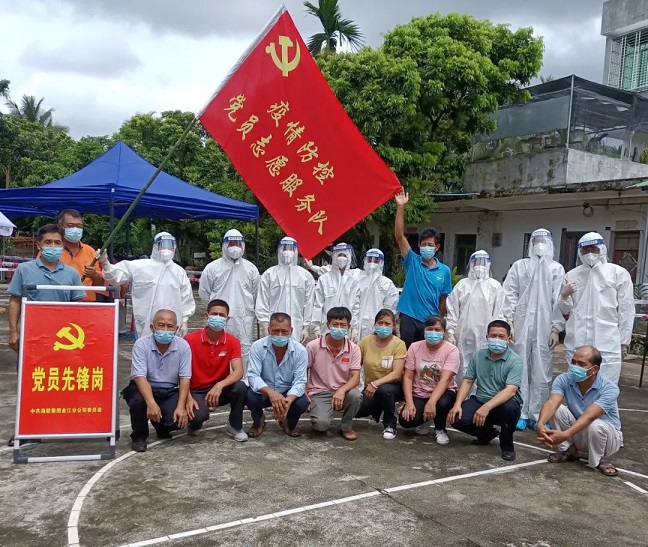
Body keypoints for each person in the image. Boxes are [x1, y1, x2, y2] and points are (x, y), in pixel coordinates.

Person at [501, 228, 564, 431]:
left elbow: (558, 299)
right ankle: (520, 411)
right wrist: (509, 322)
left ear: (551, 244)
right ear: (530, 243)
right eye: (536, 240)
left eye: (544, 240)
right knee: (519, 367)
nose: (540, 244)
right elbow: (509, 294)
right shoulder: (520, 266)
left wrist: (556, 328)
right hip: (521, 324)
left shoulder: (556, 269)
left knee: (542, 370)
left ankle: (538, 414)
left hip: (545, 325)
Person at [556, 232, 634, 384]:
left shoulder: (617, 273)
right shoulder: (572, 275)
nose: (590, 253)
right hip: (577, 339)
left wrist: (624, 341)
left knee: (605, 386)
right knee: (577, 385)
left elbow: (626, 309)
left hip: (607, 341)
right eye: (585, 250)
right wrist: (564, 296)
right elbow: (565, 310)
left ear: (602, 249)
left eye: (594, 249)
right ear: (580, 252)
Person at [536, 346, 622, 477]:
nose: (575, 367)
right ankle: (569, 450)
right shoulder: (564, 379)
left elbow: (589, 416)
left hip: (607, 437)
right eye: (573, 362)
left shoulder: (610, 388)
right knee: (557, 410)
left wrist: (565, 434)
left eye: (581, 364)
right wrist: (540, 423)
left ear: (594, 369)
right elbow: (552, 402)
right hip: (581, 432)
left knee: (595, 424)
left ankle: (603, 458)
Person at [449, 320, 523, 461]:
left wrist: (487, 407)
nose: (497, 339)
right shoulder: (478, 355)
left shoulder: (515, 361)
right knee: (457, 418)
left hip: (504, 403)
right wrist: (457, 404)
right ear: (487, 337)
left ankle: (507, 445)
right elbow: (468, 380)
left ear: (508, 338)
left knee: (510, 409)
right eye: (493, 336)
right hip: (481, 399)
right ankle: (486, 434)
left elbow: (511, 390)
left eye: (501, 336)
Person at [98, 232, 195, 338]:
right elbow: (115, 276)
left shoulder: (179, 272)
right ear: (155, 247)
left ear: (174, 248)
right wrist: (105, 263)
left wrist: (184, 320)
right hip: (146, 322)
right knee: (145, 346)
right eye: (162, 245)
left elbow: (186, 297)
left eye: (170, 246)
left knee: (172, 347)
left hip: (172, 324)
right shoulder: (140, 267)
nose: (166, 249)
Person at [122, 309, 191, 452]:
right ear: (152, 327)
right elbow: (139, 376)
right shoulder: (141, 344)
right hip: (144, 386)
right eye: (161, 325)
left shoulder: (183, 346)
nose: (165, 330)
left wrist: (181, 406)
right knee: (138, 401)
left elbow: (185, 377)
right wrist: (151, 403)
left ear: (176, 328)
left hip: (169, 389)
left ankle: (161, 426)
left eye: (170, 326)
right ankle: (139, 436)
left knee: (180, 420)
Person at [8, 224, 85, 352]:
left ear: (63, 246)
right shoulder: (24, 269)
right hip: (31, 334)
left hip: (63, 336)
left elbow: (78, 306)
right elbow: (15, 302)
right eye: (48, 242)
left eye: (57, 242)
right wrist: (13, 331)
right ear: (39, 245)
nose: (53, 246)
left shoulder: (72, 273)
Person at [394, 189, 452, 347]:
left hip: (430, 320)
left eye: (430, 245)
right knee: (407, 354)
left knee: (427, 356)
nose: (426, 247)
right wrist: (401, 206)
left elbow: (443, 299)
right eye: (423, 244)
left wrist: (439, 321)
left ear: (437, 247)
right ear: (419, 246)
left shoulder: (444, 271)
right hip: (409, 317)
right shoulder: (412, 261)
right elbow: (399, 236)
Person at [183, 299, 248, 442]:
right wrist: (188, 397)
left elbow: (238, 371)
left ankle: (235, 426)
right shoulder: (189, 340)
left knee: (241, 387)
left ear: (227, 319)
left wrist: (219, 385)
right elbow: (181, 373)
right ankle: (195, 423)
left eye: (222, 315)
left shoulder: (233, 341)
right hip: (197, 390)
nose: (217, 317)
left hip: (219, 389)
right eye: (214, 314)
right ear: (206, 316)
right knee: (198, 416)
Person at [199, 229, 260, 372]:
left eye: (238, 244)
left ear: (243, 245)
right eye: (231, 243)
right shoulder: (212, 268)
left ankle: (242, 379)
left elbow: (256, 294)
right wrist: (215, 311)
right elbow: (204, 293)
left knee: (243, 348)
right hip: (218, 317)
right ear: (225, 245)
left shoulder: (251, 269)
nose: (235, 247)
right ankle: (216, 377)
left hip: (244, 318)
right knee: (216, 346)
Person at [246, 312, 310, 437]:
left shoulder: (300, 350)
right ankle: (258, 422)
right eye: (276, 331)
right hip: (265, 391)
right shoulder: (257, 346)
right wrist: (271, 393)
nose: (280, 335)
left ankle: (288, 423)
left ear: (291, 331)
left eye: (284, 331)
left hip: (287, 391)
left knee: (301, 402)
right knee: (249, 396)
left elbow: (300, 381)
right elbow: (253, 376)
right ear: (269, 330)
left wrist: (288, 400)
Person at [399, 315, 460, 445]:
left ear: (444, 332)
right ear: (424, 330)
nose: (433, 332)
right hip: (420, 392)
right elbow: (408, 377)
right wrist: (409, 403)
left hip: (444, 392)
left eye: (437, 330)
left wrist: (432, 402)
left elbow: (445, 379)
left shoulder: (451, 350)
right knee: (406, 420)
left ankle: (440, 429)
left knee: (441, 404)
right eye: (430, 329)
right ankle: (426, 419)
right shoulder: (414, 347)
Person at [446, 250, 504, 384]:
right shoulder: (462, 285)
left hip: (485, 336)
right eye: (477, 262)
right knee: (462, 367)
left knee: (484, 367)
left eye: (483, 263)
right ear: (471, 264)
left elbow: (499, 312)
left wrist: (497, 334)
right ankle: (461, 395)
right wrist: (450, 330)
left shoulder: (495, 286)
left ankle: (480, 395)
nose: (480, 266)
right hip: (463, 335)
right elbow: (452, 309)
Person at [306, 307, 362, 440]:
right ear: (328, 325)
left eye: (343, 325)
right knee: (321, 425)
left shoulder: (354, 349)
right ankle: (323, 413)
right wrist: (305, 393)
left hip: (343, 391)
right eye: (335, 324)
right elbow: (303, 371)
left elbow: (356, 377)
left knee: (356, 395)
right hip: (319, 392)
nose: (339, 328)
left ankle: (346, 427)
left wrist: (342, 390)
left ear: (348, 327)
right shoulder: (313, 346)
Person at [355, 309, 407, 439]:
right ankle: (376, 412)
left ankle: (390, 425)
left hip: (394, 386)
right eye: (380, 322)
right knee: (359, 411)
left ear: (393, 326)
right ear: (375, 324)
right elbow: (356, 366)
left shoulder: (399, 344)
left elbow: (397, 373)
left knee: (385, 390)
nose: (383, 326)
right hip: (371, 387)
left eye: (387, 324)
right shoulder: (365, 341)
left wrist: (375, 384)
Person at [256, 237, 315, 343]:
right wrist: (264, 324)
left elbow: (309, 302)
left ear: (296, 251)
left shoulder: (305, 276)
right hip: (274, 325)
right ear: (279, 250)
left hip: (296, 324)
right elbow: (262, 300)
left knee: (294, 350)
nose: (288, 252)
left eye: (291, 249)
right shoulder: (269, 274)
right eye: (285, 248)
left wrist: (306, 327)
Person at [311, 243, 361, 341]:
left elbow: (355, 306)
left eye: (344, 255)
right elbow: (318, 304)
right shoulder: (324, 279)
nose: (342, 258)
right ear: (334, 257)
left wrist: (354, 327)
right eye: (339, 255)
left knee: (344, 349)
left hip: (345, 325)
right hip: (327, 325)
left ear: (349, 258)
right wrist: (316, 325)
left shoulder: (353, 281)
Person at [56, 209, 106, 302]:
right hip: (60, 303)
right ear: (60, 227)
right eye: (70, 225)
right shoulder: (51, 251)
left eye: (79, 226)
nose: (75, 229)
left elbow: (100, 284)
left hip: (87, 304)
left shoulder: (90, 251)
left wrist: (93, 275)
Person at [353, 249, 400, 340]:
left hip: (378, 325)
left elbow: (391, 309)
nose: (372, 262)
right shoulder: (357, 278)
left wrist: (384, 325)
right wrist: (353, 325)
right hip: (358, 324)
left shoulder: (387, 283)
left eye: (376, 260)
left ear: (381, 263)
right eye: (370, 259)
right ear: (365, 260)